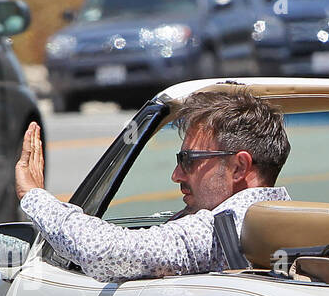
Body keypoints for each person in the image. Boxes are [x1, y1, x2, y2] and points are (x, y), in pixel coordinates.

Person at [15, 89, 291, 282]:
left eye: (189, 160)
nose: (176, 175)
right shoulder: (296, 222)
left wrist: (34, 196)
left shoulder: (223, 230)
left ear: (239, 167)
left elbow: (104, 252)